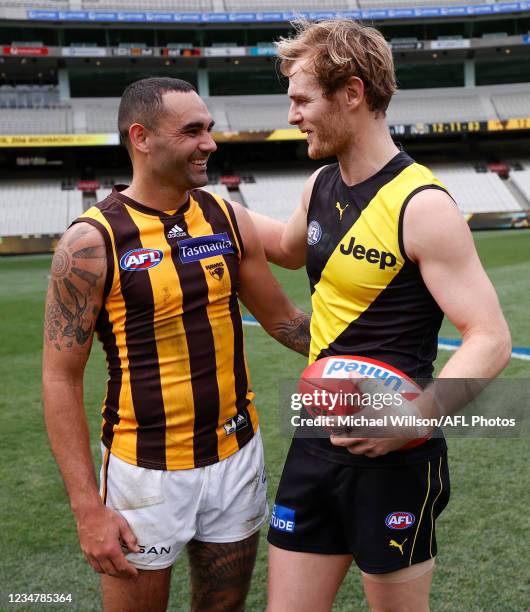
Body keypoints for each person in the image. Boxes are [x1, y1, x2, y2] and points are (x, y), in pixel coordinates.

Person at [247, 19, 512, 612]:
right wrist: (205, 206)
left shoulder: (423, 204)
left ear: (352, 92)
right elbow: (288, 248)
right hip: (316, 439)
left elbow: (490, 338)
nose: (292, 115)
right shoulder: (319, 184)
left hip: (396, 459)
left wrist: (413, 419)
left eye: (301, 99)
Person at [42, 77, 310, 612]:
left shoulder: (226, 217)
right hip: (144, 472)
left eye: (208, 128)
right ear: (141, 137)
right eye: (192, 131)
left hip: (236, 456)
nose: (209, 143)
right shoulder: (91, 242)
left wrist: (372, 354)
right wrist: (86, 508)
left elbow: (285, 323)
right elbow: (60, 377)